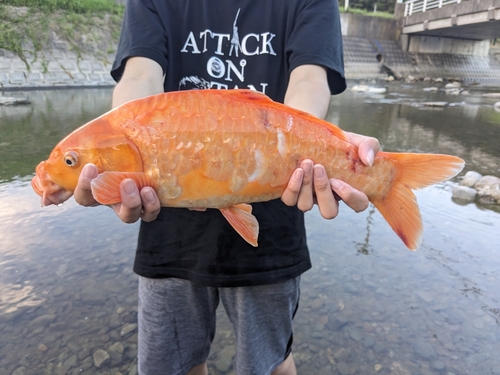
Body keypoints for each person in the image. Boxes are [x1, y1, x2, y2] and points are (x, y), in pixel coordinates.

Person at [75, 0, 380, 374]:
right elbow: (140, 77)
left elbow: (309, 81)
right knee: (175, 365)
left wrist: (317, 146)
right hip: (168, 227)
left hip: (273, 223)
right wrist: (115, 152)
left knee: (270, 364)